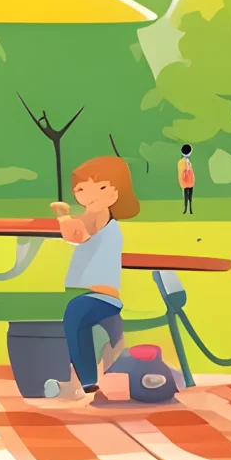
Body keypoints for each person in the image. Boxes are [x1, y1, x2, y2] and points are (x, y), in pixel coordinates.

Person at [44, 155, 140, 400]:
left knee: (75, 319)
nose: (89, 194)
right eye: (81, 188)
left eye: (100, 187)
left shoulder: (97, 213)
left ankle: (87, 380)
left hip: (96, 295)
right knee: (109, 336)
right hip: (99, 296)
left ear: (116, 192)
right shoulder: (102, 217)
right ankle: (112, 374)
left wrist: (62, 215)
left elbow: (75, 234)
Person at [177, 144, 195, 215]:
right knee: (187, 195)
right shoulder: (183, 162)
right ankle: (186, 209)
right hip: (186, 181)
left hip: (189, 181)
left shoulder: (186, 162)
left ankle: (189, 208)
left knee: (189, 195)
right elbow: (184, 171)